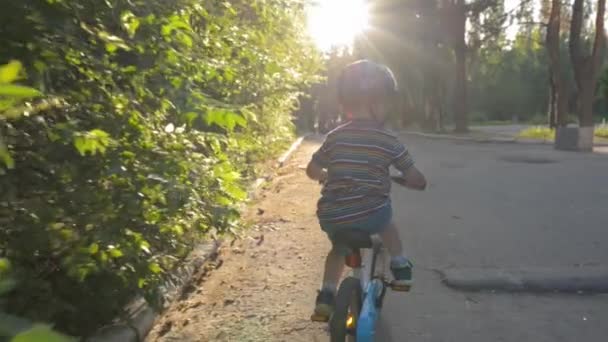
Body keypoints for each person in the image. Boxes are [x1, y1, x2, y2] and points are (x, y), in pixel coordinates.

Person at [306, 60, 427, 320]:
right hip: (371, 213)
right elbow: (415, 178)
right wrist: (414, 182)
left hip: (332, 216)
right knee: (387, 222)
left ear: (344, 102)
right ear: (378, 103)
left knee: (338, 249)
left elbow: (311, 170)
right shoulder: (388, 140)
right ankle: (399, 264)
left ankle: (326, 297)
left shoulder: (334, 137)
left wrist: (325, 175)